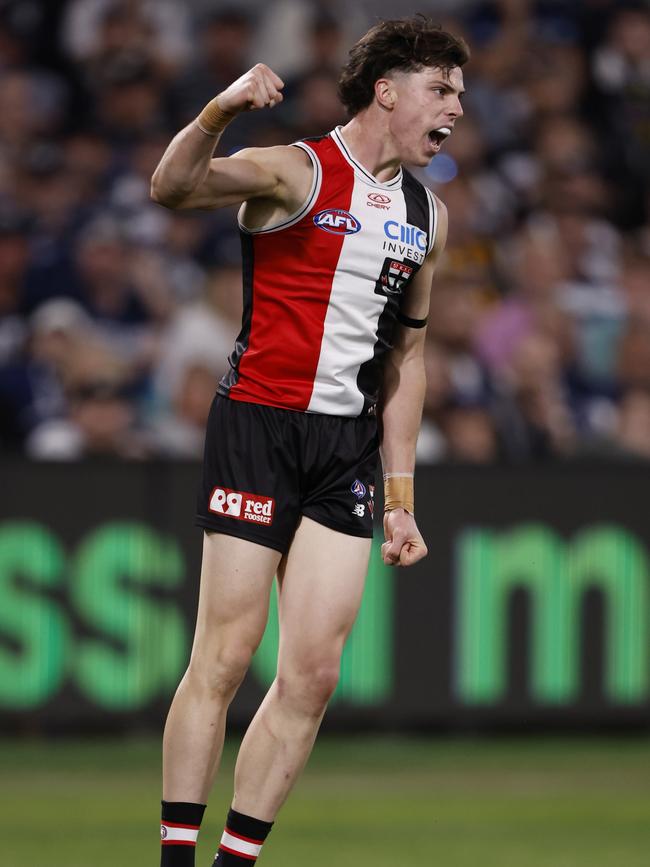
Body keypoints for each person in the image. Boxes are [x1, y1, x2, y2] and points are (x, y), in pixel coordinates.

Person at [150, 16, 468, 867]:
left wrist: (402, 499)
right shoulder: (297, 169)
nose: (457, 110)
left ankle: (230, 862)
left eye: (461, 95)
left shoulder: (425, 216)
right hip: (257, 424)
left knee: (315, 675)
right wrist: (219, 111)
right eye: (442, 90)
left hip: (346, 449)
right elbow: (172, 188)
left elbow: (408, 355)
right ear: (388, 90)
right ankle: (174, 857)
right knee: (222, 654)